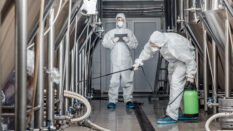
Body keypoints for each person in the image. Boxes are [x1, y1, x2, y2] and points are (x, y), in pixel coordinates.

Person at [133, 31, 197, 124]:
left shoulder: (174, 44)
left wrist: (190, 76)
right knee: (175, 87)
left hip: (183, 61)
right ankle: (188, 113)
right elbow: (147, 50)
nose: (152, 47)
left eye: (154, 45)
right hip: (172, 61)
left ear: (161, 43)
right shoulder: (154, 40)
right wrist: (138, 62)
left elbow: (189, 60)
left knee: (176, 84)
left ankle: (171, 115)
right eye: (152, 44)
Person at [102, 13, 138, 109]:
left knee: (127, 81)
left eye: (122, 19)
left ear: (124, 20)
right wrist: (113, 40)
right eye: (118, 19)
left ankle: (129, 100)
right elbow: (105, 44)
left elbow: (134, 45)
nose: (120, 21)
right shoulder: (111, 33)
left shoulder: (129, 32)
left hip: (126, 61)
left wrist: (128, 41)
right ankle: (112, 101)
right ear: (116, 21)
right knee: (114, 81)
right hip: (115, 61)